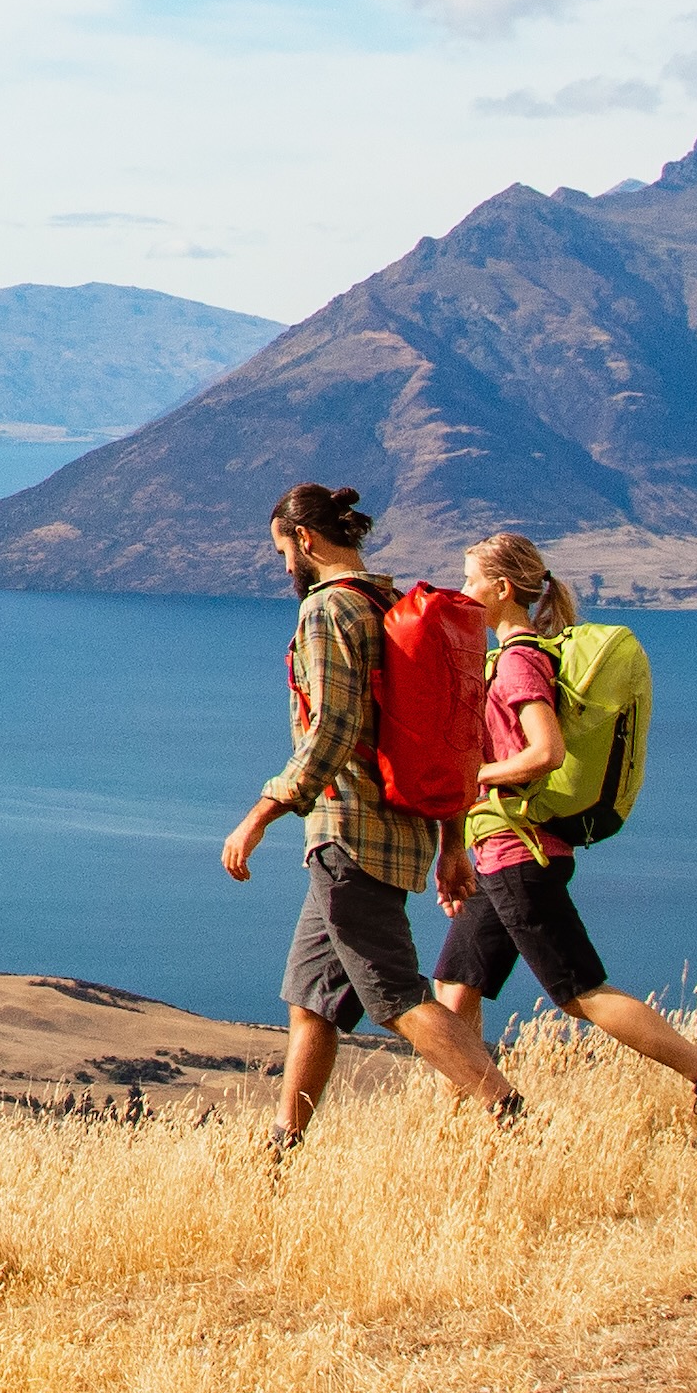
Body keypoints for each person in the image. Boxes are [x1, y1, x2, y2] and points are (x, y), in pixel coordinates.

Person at [435, 528, 697, 1133]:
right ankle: (473, 1124)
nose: (461, 590)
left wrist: (470, 775)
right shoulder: (515, 657)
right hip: (500, 848)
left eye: (469, 579)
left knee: (579, 992)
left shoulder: (517, 661)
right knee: (456, 986)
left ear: (502, 589)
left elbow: (546, 752)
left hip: (518, 852)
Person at [215, 480, 493, 1149]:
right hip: (398, 832)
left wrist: (260, 813)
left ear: (305, 540)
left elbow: (331, 729)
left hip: (348, 831)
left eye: (284, 551)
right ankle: (284, 1149)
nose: (285, 566)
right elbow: (451, 736)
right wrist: (451, 842)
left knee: (395, 995)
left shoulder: (328, 610)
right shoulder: (392, 603)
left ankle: (510, 1113)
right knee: (311, 997)